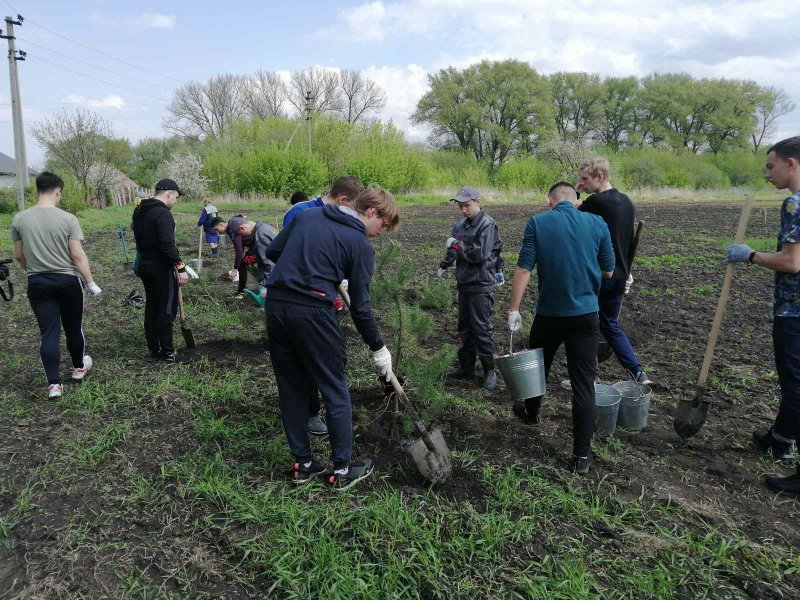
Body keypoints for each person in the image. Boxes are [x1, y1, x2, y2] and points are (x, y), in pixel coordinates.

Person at [265, 185, 399, 489]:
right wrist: (379, 348)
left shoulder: (308, 217)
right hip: (312, 311)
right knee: (334, 388)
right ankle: (341, 470)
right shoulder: (359, 243)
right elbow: (361, 308)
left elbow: (274, 251)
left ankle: (304, 464)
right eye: (384, 225)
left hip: (277, 306)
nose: (381, 233)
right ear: (371, 212)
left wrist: (314, 262)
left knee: (291, 387)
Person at [507, 182, 614, 475]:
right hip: (586, 316)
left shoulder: (538, 223)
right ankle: (581, 457)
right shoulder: (597, 223)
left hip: (550, 314)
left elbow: (523, 269)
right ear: (577, 201)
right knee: (582, 384)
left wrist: (513, 309)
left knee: (538, 366)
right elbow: (608, 270)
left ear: (548, 201)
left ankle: (531, 412)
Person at [725, 136, 800, 498]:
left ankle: (792, 458)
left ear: (792, 163)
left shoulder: (794, 204)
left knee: (795, 383)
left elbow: (791, 262)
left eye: (771, 166)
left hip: (794, 310)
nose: (767, 174)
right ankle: (781, 436)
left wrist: (750, 255)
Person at [11, 171, 101, 398]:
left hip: (38, 283)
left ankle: (53, 386)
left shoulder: (20, 219)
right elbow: (78, 255)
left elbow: (20, 255)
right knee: (73, 328)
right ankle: (79, 368)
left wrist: (33, 272)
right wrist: (90, 282)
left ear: (37, 190)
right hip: (68, 282)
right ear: (57, 191)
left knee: (49, 333)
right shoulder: (68, 219)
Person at [575, 157, 652, 386]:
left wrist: (577, 193)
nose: (582, 183)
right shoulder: (628, 202)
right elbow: (626, 240)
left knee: (585, 326)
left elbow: (568, 212)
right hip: (619, 275)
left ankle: (584, 375)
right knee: (609, 325)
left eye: (585, 179)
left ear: (600, 177)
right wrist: (628, 271)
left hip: (599, 275)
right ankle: (638, 372)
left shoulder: (598, 203)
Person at [438, 186, 503, 391]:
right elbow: (453, 251)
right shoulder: (459, 226)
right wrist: (444, 264)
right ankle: (467, 368)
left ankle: (489, 371)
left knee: (480, 328)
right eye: (460, 206)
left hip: (482, 284)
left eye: (466, 205)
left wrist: (457, 245)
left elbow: (479, 255)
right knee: (464, 327)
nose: (463, 210)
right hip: (464, 282)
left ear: (477, 202)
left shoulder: (487, 225)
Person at [131, 178, 191, 363]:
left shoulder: (140, 210)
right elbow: (167, 245)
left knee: (152, 306)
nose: (175, 201)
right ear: (169, 193)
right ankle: (168, 353)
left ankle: (153, 349)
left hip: (144, 265)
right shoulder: (162, 213)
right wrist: (180, 268)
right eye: (176, 197)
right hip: (160, 267)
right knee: (166, 308)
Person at [282, 175, 364, 228]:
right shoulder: (298, 211)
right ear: (342, 199)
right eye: (353, 206)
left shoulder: (339, 219)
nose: (353, 211)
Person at [210, 214, 256, 298]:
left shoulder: (232, 229)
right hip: (255, 245)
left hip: (258, 245)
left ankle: (242, 292)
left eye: (217, 229)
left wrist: (235, 269)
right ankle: (242, 291)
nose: (217, 232)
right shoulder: (231, 227)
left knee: (243, 266)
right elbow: (240, 249)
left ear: (221, 224)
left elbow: (239, 252)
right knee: (243, 265)